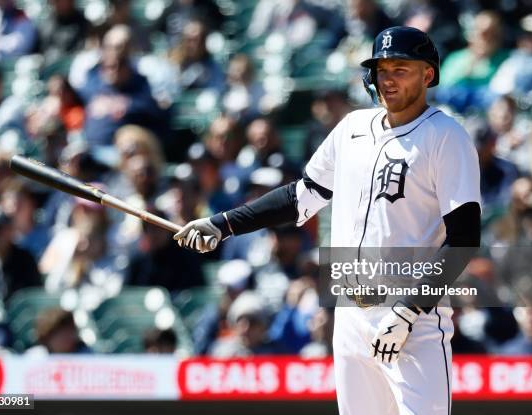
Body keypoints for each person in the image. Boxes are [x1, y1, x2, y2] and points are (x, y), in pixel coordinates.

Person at [174, 26, 481, 415]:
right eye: (381, 69)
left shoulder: (446, 136)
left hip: (412, 320)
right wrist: (222, 223)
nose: (388, 78)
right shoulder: (352, 128)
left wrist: (408, 310)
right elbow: (300, 196)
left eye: (400, 68)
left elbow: (465, 238)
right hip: (351, 312)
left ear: (428, 74)